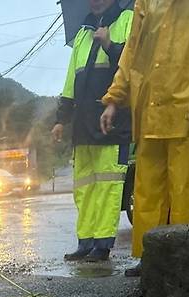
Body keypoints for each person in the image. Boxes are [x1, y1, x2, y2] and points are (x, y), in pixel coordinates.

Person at [100, 0, 189, 276]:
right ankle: (150, 257)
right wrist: (114, 99)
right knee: (148, 192)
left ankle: (184, 260)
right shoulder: (147, 1)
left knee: (186, 191)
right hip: (151, 109)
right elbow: (132, 52)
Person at [52, 0, 134, 262]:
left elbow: (134, 67)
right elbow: (70, 81)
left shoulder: (127, 21)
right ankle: (85, 241)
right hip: (83, 124)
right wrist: (61, 119)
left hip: (113, 120)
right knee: (84, 187)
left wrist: (110, 45)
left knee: (107, 185)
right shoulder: (81, 34)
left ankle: (102, 244)